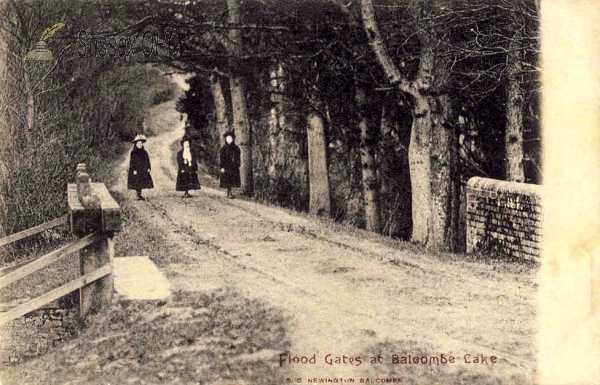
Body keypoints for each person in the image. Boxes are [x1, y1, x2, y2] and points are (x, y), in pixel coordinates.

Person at [127, 134, 153, 201]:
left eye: (141, 143)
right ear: (135, 144)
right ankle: (138, 195)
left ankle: (139, 194)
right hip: (136, 169)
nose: (140, 145)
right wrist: (133, 170)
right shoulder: (133, 153)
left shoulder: (144, 152)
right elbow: (132, 162)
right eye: (138, 143)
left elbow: (147, 161)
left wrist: (148, 168)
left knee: (141, 182)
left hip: (142, 169)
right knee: (136, 182)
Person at [219, 131, 241, 198]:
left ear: (233, 139)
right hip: (226, 166)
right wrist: (222, 167)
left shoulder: (236, 148)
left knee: (233, 179)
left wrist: (237, 164)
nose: (229, 140)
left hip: (233, 166)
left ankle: (230, 192)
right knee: (227, 179)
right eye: (227, 139)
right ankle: (229, 192)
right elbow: (222, 158)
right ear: (225, 139)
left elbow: (238, 157)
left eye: (230, 138)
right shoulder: (223, 149)